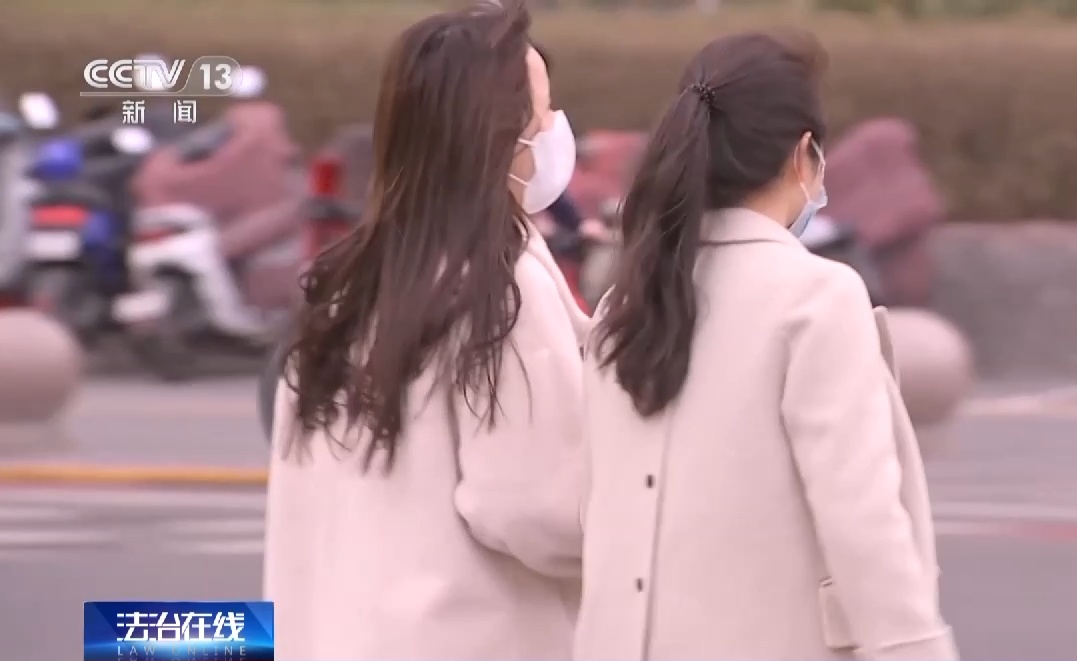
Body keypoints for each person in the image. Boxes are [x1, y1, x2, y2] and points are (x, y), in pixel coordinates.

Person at [574, 31, 957, 661]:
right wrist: (914, 648)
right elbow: (860, 515)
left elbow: (599, 508)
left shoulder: (626, 301)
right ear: (804, 154)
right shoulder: (815, 296)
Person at [262, 2, 590, 659]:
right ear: (496, 134)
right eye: (543, 110)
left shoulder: (342, 287)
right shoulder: (499, 284)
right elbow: (540, 510)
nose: (554, 128)